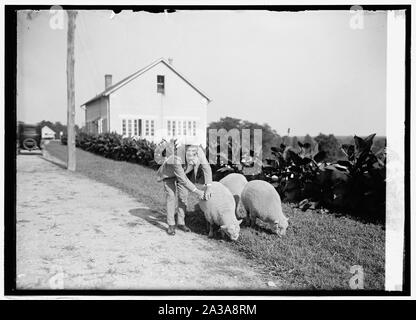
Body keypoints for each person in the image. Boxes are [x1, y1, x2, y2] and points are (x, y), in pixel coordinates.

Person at [157, 142, 213, 235]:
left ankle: (181, 223)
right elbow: (182, 180)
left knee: (183, 196)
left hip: (184, 173)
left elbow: (206, 168)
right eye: (190, 159)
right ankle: (171, 224)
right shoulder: (177, 158)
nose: (193, 162)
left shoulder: (199, 152)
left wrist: (209, 187)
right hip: (169, 174)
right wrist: (198, 191)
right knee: (171, 196)